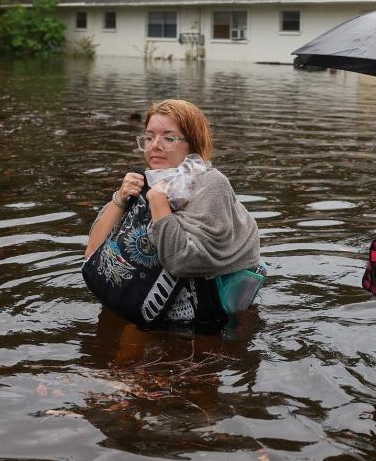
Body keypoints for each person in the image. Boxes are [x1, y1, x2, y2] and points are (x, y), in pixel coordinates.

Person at [83, 98, 261, 334]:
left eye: (168, 138)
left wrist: (158, 204)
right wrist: (119, 198)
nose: (155, 145)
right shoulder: (149, 180)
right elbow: (93, 253)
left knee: (131, 356)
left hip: (205, 324)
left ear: (192, 145)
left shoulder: (211, 184)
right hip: (149, 309)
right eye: (149, 137)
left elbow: (184, 261)